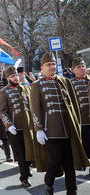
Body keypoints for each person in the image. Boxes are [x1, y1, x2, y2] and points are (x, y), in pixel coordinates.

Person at [30, 52, 89, 195]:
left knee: (70, 162)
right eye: (48, 65)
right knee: (56, 158)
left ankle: (72, 190)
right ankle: (48, 181)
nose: (52, 67)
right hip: (50, 130)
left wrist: (76, 125)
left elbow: (74, 105)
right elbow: (35, 108)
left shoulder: (65, 82)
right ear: (42, 68)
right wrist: (38, 129)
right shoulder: (37, 85)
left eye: (54, 64)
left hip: (67, 129)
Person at [0, 66, 34, 187]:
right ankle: (24, 177)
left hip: (28, 126)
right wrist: (8, 124)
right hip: (15, 128)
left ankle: (27, 169)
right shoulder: (3, 92)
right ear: (8, 78)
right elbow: (2, 111)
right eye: (12, 76)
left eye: (16, 75)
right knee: (20, 153)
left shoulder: (26, 88)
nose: (15, 78)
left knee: (29, 150)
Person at [71, 57, 90, 159]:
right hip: (82, 120)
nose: (82, 68)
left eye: (83, 66)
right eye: (79, 67)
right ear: (73, 70)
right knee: (86, 143)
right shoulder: (71, 83)